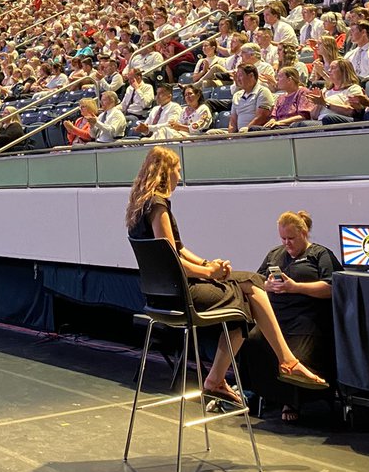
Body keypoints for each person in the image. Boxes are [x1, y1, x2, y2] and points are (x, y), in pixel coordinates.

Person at [125, 147, 327, 405]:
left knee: (244, 305)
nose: (179, 174)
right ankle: (285, 361)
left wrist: (209, 264)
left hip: (159, 297)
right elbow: (173, 262)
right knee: (252, 286)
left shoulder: (142, 206)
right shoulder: (158, 205)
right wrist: (209, 272)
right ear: (167, 172)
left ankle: (218, 380)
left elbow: (179, 249)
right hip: (180, 297)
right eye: (177, 169)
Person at [240, 210, 341, 423]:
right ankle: (254, 393)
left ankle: (292, 400)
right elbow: (257, 280)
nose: (287, 243)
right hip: (277, 316)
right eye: (283, 238)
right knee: (253, 340)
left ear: (303, 233)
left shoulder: (320, 255)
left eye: (291, 239)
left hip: (307, 316)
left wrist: (295, 287)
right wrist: (266, 285)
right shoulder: (275, 255)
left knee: (297, 349)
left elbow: (331, 287)